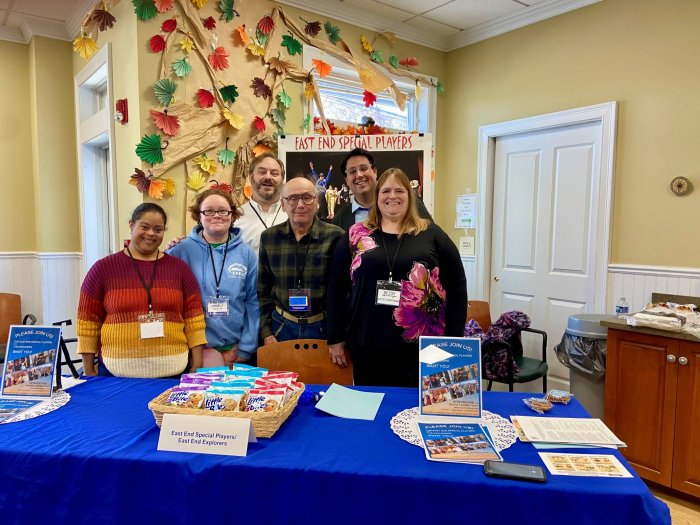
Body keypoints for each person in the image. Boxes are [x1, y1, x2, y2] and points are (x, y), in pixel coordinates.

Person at [327, 168, 468, 387]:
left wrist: (453, 339)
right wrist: (335, 338)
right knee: (373, 410)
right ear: (377, 196)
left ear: (410, 196)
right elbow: (336, 287)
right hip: (367, 342)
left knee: (417, 409)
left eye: (399, 190)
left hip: (424, 346)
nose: (392, 196)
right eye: (385, 191)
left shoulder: (431, 234)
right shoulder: (355, 234)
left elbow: (457, 286)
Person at [77, 203, 207, 378]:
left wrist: (196, 366)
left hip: (173, 374)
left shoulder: (180, 269)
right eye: (144, 227)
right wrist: (88, 370)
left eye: (158, 229)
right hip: (116, 376)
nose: (151, 233)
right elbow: (87, 323)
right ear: (131, 225)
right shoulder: (103, 269)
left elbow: (194, 321)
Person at [167, 189, 259, 368]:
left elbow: (253, 302)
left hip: (235, 350)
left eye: (223, 211)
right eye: (208, 211)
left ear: (232, 215)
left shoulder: (246, 253)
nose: (216, 216)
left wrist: (245, 349)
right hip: (194, 352)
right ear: (198, 216)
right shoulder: (180, 250)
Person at [258, 176, 344, 344]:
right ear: (283, 205)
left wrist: (338, 336)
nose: (300, 205)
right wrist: (267, 332)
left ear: (317, 202)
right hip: (281, 327)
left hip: (323, 329)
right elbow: (263, 291)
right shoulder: (269, 238)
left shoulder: (336, 237)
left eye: (307, 197)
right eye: (293, 198)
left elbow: (343, 293)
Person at [333, 148, 432, 231]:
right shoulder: (340, 219)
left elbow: (431, 238)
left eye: (363, 169)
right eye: (352, 171)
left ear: (375, 171)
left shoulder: (408, 201)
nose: (359, 175)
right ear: (346, 180)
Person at [236, 153, 288, 253]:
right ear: (251, 178)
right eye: (262, 172)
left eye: (274, 173)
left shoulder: (294, 214)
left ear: (282, 180)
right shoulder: (236, 217)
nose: (268, 177)